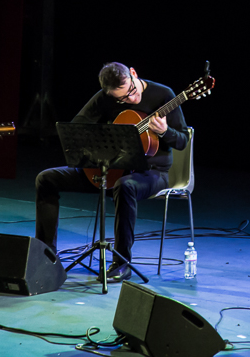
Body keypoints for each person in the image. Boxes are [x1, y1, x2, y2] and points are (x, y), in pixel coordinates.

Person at [35, 62, 189, 282]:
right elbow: (78, 126)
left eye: (131, 91)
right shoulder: (105, 97)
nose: (131, 99)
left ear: (133, 73)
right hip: (110, 168)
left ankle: (121, 263)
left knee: (125, 185)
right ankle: (46, 254)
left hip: (152, 173)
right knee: (46, 178)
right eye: (122, 99)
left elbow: (183, 141)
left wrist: (165, 132)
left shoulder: (164, 95)